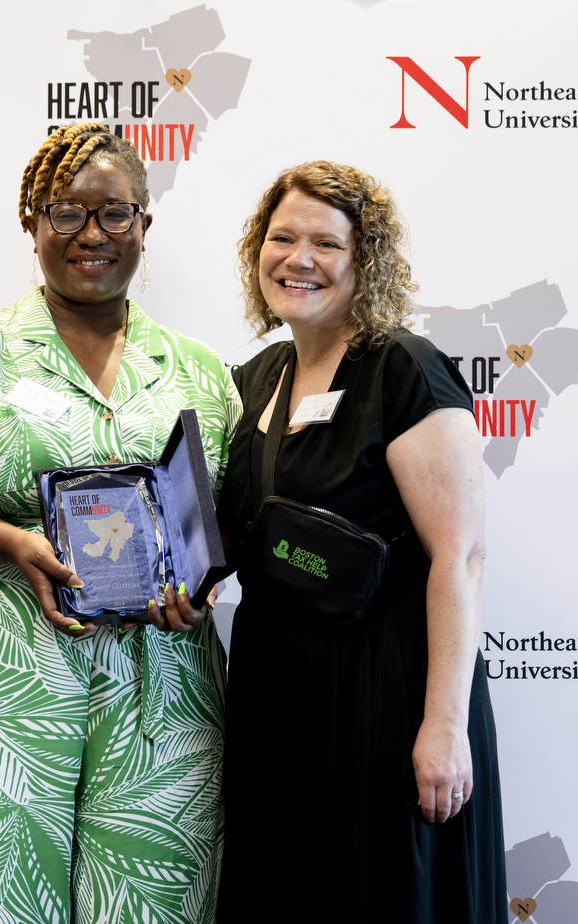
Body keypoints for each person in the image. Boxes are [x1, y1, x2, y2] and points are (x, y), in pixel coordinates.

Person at [0, 122, 242, 924]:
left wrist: (198, 584)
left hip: (163, 689)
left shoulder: (201, 373)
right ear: (31, 223)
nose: (91, 234)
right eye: (65, 212)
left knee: (149, 903)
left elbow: (220, 523)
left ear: (145, 227)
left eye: (115, 214)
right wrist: (10, 539)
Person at [215, 161, 506, 920]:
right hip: (278, 699)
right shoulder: (252, 381)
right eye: (281, 238)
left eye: (325, 243)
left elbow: (461, 555)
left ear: (364, 260)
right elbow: (232, 533)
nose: (298, 259)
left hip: (386, 693)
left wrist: (442, 723)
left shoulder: (403, 368)